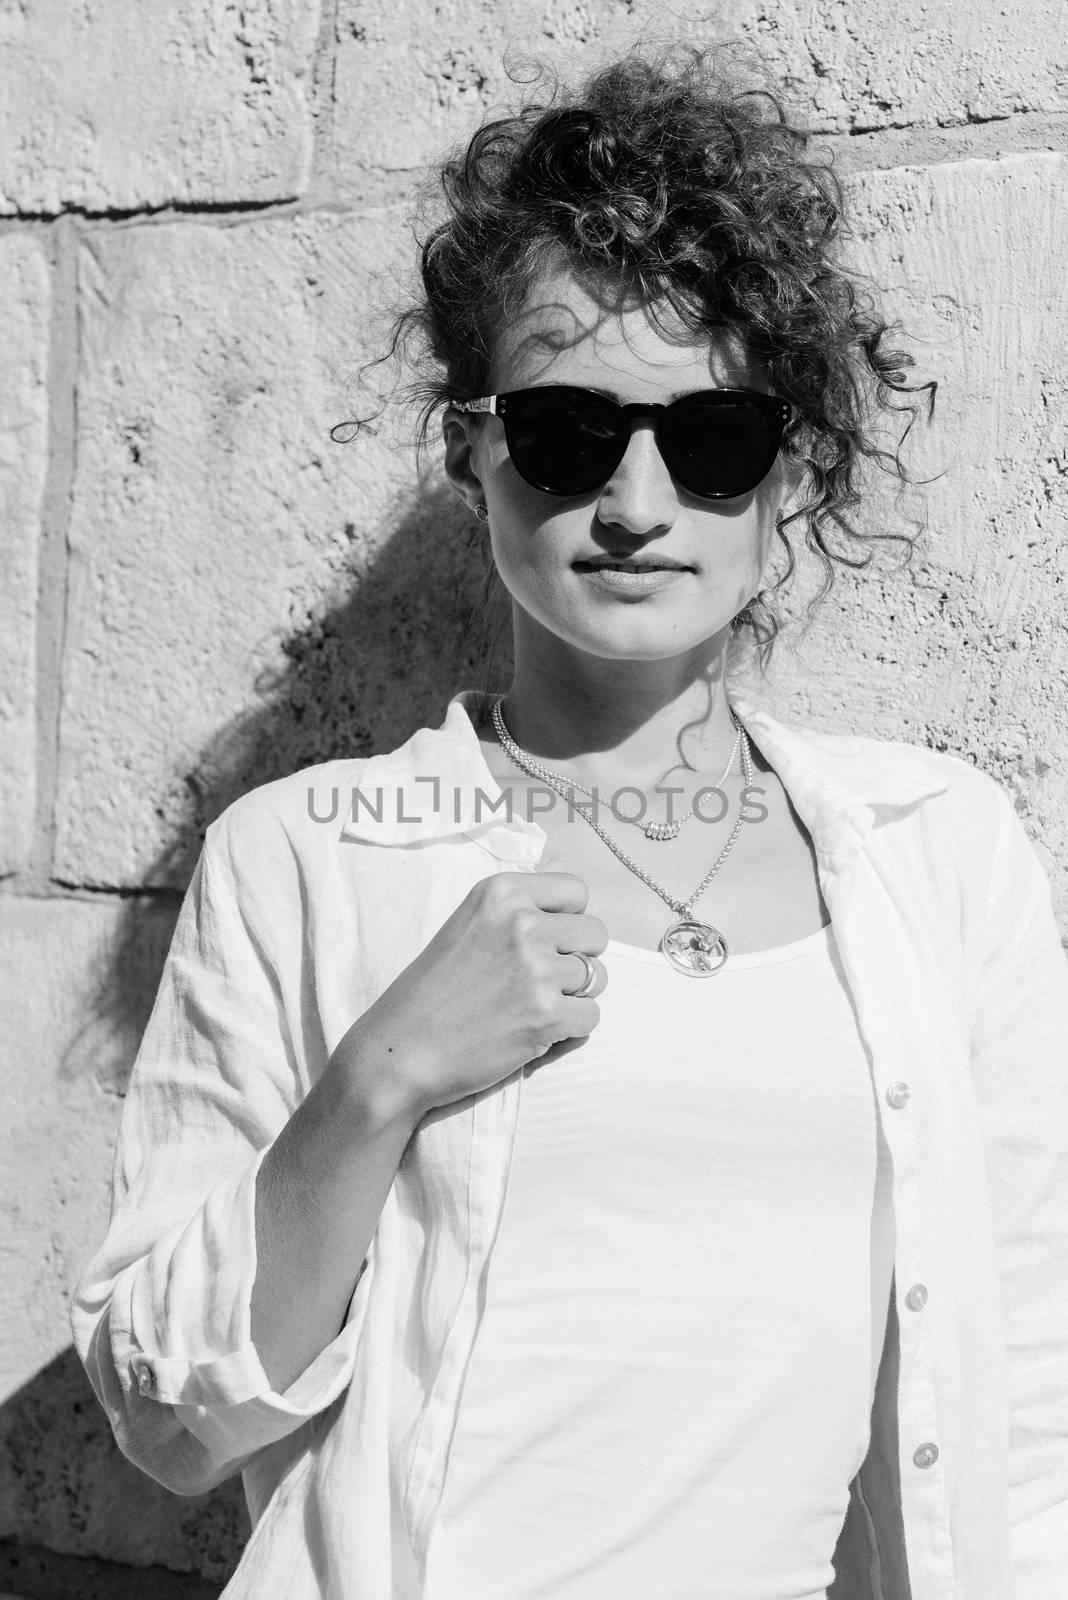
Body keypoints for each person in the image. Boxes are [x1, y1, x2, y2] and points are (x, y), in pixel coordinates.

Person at [72, 44, 1068, 1600]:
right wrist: (382, 1078)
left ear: (788, 460)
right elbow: (162, 1418)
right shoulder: (311, 857)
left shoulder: (938, 853)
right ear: (474, 447)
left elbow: (1029, 1389)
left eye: (713, 438)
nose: (636, 500)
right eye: (565, 431)